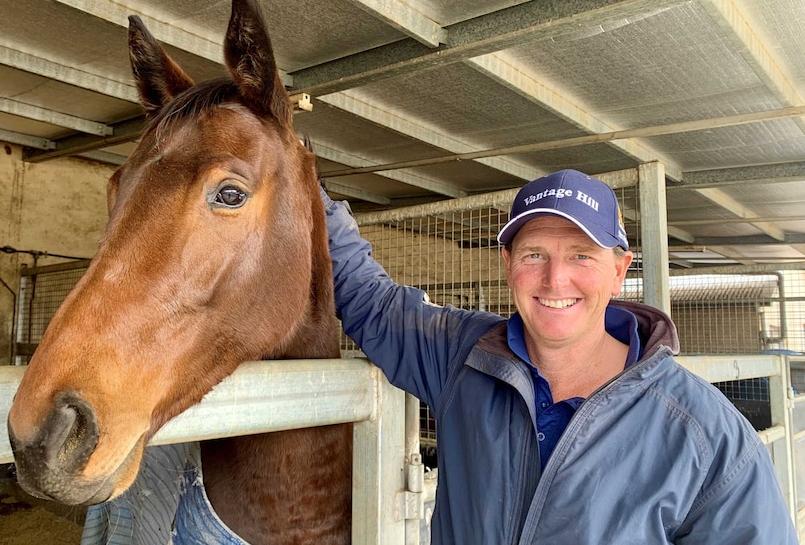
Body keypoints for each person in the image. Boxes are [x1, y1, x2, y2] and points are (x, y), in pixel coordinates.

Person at [321, 168, 797, 544]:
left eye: (581, 256)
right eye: (534, 255)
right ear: (508, 265)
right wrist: (300, 182)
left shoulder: (706, 437)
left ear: (618, 271)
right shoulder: (462, 356)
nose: (554, 280)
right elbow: (371, 302)